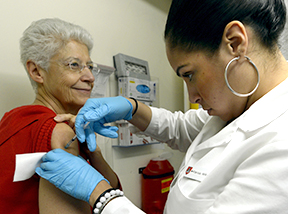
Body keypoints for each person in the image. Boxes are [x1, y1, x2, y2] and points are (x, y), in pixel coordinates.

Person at [36, 0, 288, 213]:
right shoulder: (237, 109)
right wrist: (130, 108)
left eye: (189, 74)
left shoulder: (281, 144)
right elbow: (182, 127)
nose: (193, 96)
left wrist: (101, 195)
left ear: (234, 43)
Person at [0, 18, 121, 213]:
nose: (90, 77)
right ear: (37, 71)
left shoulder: (10, 119)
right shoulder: (60, 133)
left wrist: (94, 152)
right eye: (74, 65)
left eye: (90, 66)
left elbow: (111, 187)